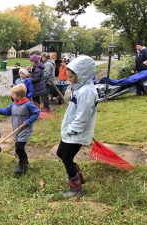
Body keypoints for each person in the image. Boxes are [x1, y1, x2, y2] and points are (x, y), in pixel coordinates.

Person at [57, 55, 98, 198]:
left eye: (71, 77)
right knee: (60, 153)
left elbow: (83, 116)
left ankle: (76, 187)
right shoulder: (79, 87)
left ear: (82, 75)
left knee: (67, 158)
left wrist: (72, 129)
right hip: (70, 130)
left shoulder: (86, 91)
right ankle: (77, 176)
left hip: (76, 132)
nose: (69, 79)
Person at [0, 84, 40, 175]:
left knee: (19, 148)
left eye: (13, 94)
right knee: (18, 148)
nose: (12, 96)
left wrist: (28, 121)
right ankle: (23, 160)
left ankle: (23, 164)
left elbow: (37, 112)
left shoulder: (27, 104)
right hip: (17, 130)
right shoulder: (13, 104)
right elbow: (6, 111)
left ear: (19, 96)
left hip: (25, 130)